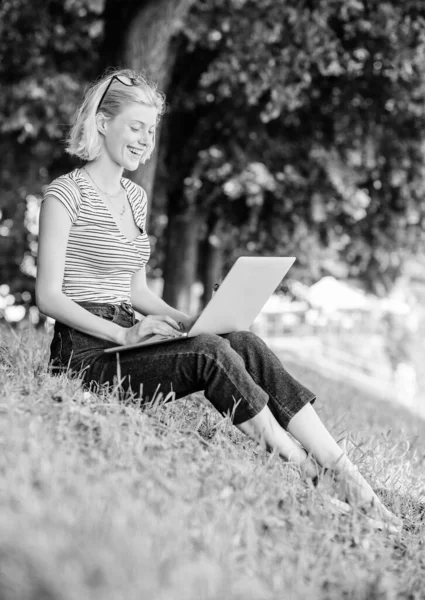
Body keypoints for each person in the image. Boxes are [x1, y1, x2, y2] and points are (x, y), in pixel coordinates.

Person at [36, 68, 400, 528]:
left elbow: (135, 290)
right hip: (85, 352)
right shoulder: (63, 195)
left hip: (127, 333)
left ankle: (346, 475)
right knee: (211, 354)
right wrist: (125, 334)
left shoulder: (134, 198)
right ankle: (310, 475)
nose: (145, 140)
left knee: (238, 340)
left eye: (151, 130)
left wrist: (192, 320)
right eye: (135, 126)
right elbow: (48, 297)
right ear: (103, 123)